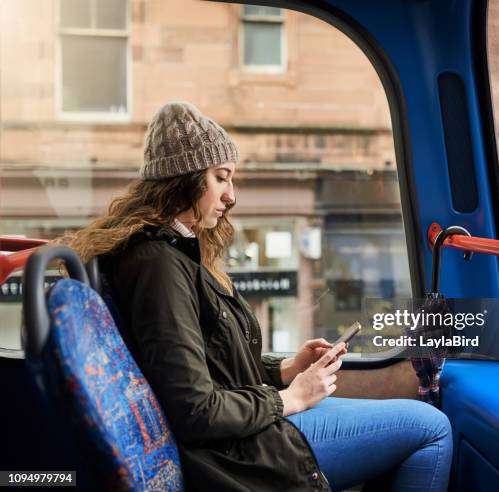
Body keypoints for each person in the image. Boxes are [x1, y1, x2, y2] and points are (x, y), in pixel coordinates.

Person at [61, 101, 452, 492]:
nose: (231, 196)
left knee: (418, 423)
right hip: (232, 453)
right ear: (184, 179)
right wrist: (289, 399)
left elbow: (211, 366)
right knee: (432, 428)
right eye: (221, 178)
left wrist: (286, 369)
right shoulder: (158, 264)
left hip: (243, 427)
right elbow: (194, 409)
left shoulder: (176, 253)